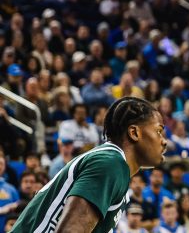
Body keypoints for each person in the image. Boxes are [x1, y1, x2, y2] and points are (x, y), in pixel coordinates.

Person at [11, 96, 167, 233]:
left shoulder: (113, 164)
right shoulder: (110, 164)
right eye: (159, 131)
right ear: (134, 133)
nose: (164, 141)